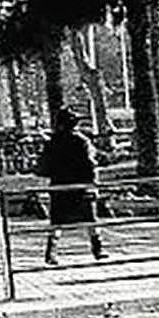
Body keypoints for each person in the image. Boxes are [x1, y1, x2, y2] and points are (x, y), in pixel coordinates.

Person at [39, 107, 106, 264]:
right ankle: (98, 248)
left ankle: (51, 252)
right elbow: (91, 165)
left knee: (57, 222)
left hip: (59, 186)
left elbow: (43, 167)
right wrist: (94, 184)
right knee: (90, 219)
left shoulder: (52, 143)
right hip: (80, 185)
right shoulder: (82, 141)